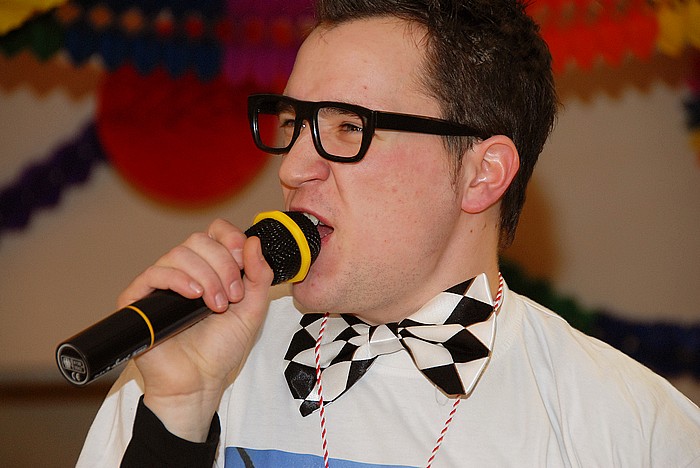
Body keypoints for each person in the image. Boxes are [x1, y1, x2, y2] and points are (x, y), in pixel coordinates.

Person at [77, 0, 700, 466]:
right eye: (293, 124)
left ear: (482, 174)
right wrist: (178, 420)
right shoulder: (184, 374)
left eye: (349, 127)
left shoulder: (629, 428)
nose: (292, 168)